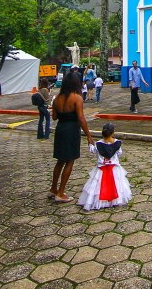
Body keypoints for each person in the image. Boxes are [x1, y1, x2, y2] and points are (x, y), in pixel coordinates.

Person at [51, 70, 93, 203]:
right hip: (72, 130)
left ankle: (53, 188)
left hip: (60, 129)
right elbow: (81, 118)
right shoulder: (77, 98)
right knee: (70, 161)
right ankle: (61, 193)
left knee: (60, 160)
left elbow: (54, 117)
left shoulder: (57, 98)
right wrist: (89, 135)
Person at [77, 123, 132, 211]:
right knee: (117, 185)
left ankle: (100, 202)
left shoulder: (98, 144)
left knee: (98, 186)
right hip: (114, 168)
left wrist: (90, 143)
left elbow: (92, 150)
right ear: (113, 132)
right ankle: (115, 200)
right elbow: (119, 153)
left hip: (101, 168)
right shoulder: (117, 143)